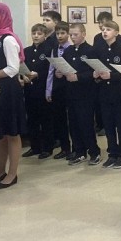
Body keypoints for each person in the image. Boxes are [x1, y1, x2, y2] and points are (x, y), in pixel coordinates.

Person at [0, 2, 26, 189]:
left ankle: (12, 173)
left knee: (12, 133)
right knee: (0, 135)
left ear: (1, 16)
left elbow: (12, 69)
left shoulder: (8, 40)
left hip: (9, 91)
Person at [57, 23, 101, 166]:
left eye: (75, 34)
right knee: (74, 124)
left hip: (86, 94)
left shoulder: (91, 51)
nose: (73, 37)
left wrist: (79, 77)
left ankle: (94, 152)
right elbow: (64, 67)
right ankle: (79, 151)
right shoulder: (68, 51)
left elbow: (96, 72)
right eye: (71, 35)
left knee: (86, 123)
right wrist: (60, 72)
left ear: (83, 34)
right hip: (71, 93)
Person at [93, 20, 121, 169]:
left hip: (119, 93)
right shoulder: (99, 50)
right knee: (108, 125)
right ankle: (112, 153)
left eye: (108, 29)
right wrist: (96, 74)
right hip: (104, 93)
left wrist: (111, 76)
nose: (105, 32)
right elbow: (97, 68)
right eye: (103, 29)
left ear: (116, 32)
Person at [22, 23, 54, 159]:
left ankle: (47, 147)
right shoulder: (26, 51)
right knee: (32, 119)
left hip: (42, 89)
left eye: (39, 34)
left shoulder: (49, 50)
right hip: (30, 89)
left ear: (45, 35)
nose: (36, 36)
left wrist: (38, 74)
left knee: (45, 119)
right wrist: (23, 76)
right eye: (34, 33)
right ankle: (35, 147)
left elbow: (51, 70)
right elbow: (22, 67)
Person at [46, 21, 72, 159]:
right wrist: (48, 90)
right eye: (57, 33)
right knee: (60, 119)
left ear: (68, 34)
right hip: (57, 88)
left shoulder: (72, 49)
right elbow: (51, 71)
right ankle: (65, 148)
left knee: (72, 119)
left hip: (70, 87)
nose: (60, 36)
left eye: (63, 33)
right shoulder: (54, 49)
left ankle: (77, 148)